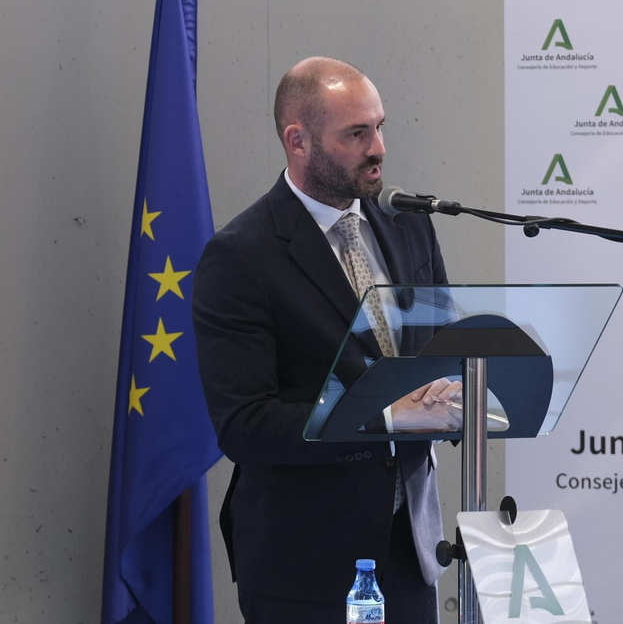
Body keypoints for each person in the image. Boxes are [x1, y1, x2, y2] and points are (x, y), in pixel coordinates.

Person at [192, 57, 461, 624]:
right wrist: (383, 417)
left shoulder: (410, 224)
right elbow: (246, 425)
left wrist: (464, 392)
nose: (379, 147)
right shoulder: (242, 255)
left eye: (380, 126)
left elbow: (444, 346)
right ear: (299, 141)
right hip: (306, 562)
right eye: (357, 134)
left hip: (410, 546)